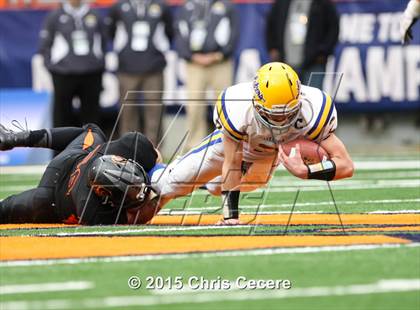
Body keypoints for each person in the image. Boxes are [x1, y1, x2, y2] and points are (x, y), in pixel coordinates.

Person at [152, 62, 354, 225]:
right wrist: (230, 217)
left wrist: (307, 171)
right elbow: (232, 163)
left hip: (267, 157)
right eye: (274, 115)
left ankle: (207, 182)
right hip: (234, 147)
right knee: (172, 185)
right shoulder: (237, 105)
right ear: (256, 102)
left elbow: (346, 165)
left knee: (217, 188)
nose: (281, 121)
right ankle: (150, 168)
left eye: (288, 113)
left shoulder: (315, 108)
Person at [0, 123, 161, 225]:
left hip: (77, 155)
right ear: (104, 195)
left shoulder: (131, 145)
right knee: (4, 211)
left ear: (122, 159)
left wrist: (159, 171)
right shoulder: (90, 209)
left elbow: (156, 156)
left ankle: (16, 137)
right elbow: (137, 218)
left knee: (92, 130)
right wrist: (164, 195)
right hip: (53, 197)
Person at [106, 0, 174, 145]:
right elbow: (110, 32)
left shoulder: (161, 6)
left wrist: (157, 52)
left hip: (154, 67)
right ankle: (128, 148)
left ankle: (154, 151)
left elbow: (170, 32)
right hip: (127, 68)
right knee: (127, 111)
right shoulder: (118, 7)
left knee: (154, 111)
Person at [174, 0, 239, 149]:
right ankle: (194, 146)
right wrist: (191, 56)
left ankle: (228, 143)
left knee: (225, 104)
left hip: (220, 63)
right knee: (195, 105)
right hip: (194, 64)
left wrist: (219, 55)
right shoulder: (187, 7)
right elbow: (180, 33)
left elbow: (235, 33)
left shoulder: (226, 6)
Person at [39, 0, 106, 127]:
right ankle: (61, 146)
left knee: (91, 116)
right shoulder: (55, 16)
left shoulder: (95, 14)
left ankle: (92, 146)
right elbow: (45, 45)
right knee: (62, 114)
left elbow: (104, 40)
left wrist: (98, 63)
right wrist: (53, 67)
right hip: (63, 73)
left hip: (91, 73)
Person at [266, 0, 339, 89]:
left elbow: (333, 28)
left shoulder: (322, 3)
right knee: (286, 99)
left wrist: (323, 52)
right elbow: (270, 25)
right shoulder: (282, 2)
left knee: (312, 99)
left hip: (314, 63)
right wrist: (273, 48)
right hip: (285, 64)